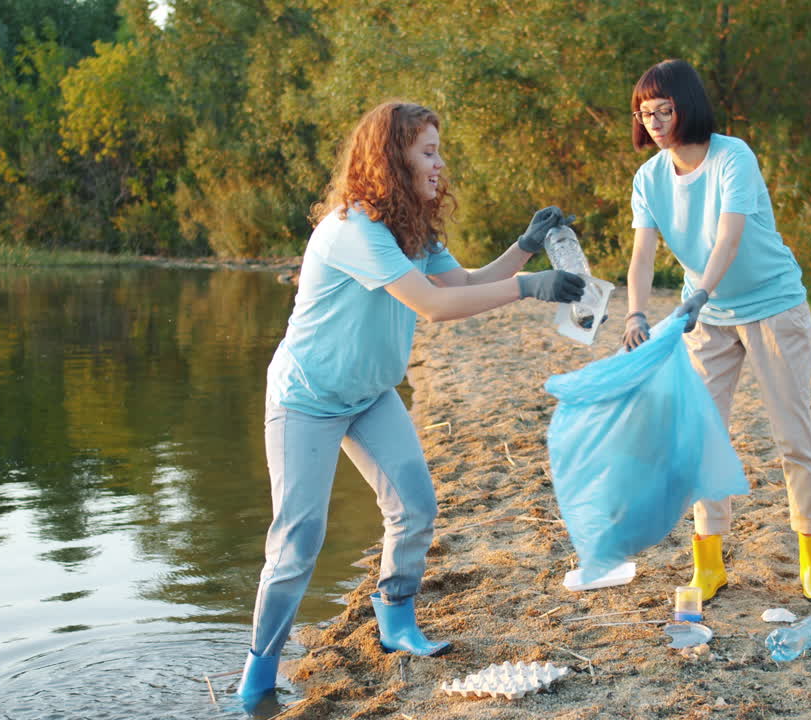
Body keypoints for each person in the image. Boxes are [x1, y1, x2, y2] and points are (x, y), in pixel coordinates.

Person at [236, 100, 584, 703]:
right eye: (428, 151)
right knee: (297, 542)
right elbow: (433, 307)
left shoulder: (408, 232)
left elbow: (460, 284)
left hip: (370, 395)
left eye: (437, 150)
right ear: (391, 159)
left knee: (416, 505)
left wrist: (525, 249)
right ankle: (260, 672)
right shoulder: (353, 229)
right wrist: (529, 289)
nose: (439, 163)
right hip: (307, 399)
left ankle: (395, 620)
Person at [621, 59, 811, 605]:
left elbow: (728, 239)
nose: (653, 121)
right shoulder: (648, 179)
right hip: (709, 318)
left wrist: (697, 293)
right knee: (701, 439)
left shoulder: (731, 157)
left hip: (771, 306)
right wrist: (635, 313)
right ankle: (709, 565)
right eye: (644, 113)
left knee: (793, 436)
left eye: (663, 110)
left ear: (686, 107)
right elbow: (642, 256)